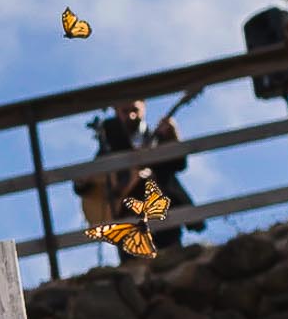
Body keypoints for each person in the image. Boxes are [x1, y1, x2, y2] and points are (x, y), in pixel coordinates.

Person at [73, 97, 199, 257]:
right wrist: (83, 179)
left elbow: (178, 165)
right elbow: (86, 185)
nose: (131, 116)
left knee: (171, 257)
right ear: (117, 111)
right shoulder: (109, 146)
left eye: (135, 110)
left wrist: (173, 139)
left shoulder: (157, 138)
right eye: (125, 111)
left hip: (162, 214)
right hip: (129, 222)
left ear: (144, 107)